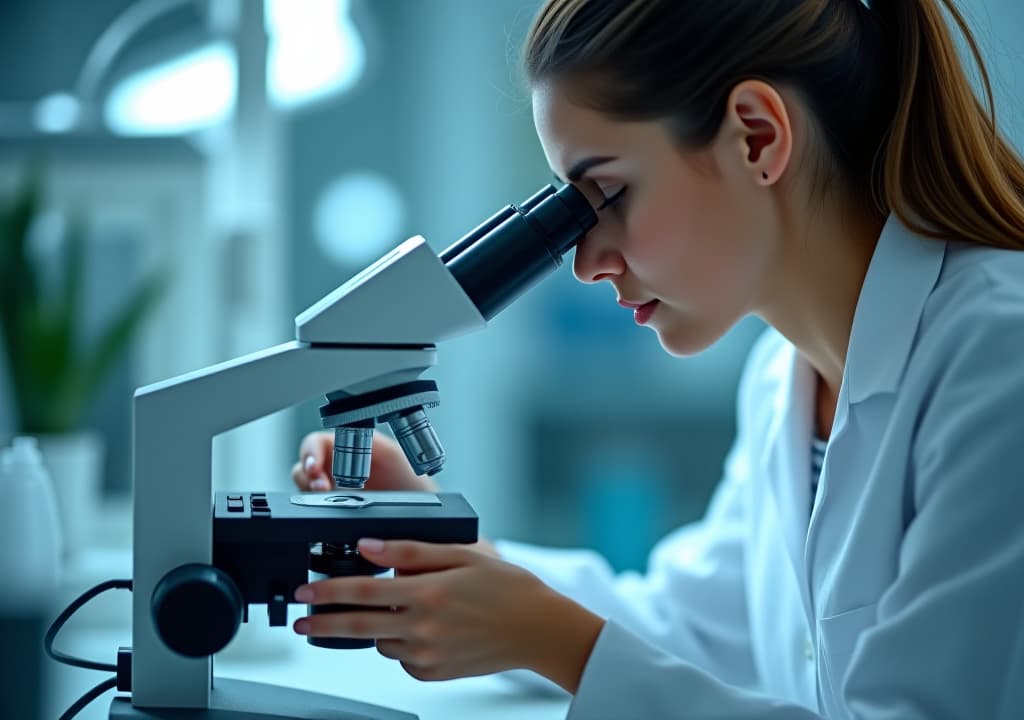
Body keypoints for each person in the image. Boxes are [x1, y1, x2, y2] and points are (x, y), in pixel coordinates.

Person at [290, 0, 1024, 717]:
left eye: (606, 194)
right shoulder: (782, 378)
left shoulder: (999, 359)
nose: (585, 262)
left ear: (757, 138)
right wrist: (447, 547)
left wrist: (560, 643)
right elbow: (694, 629)